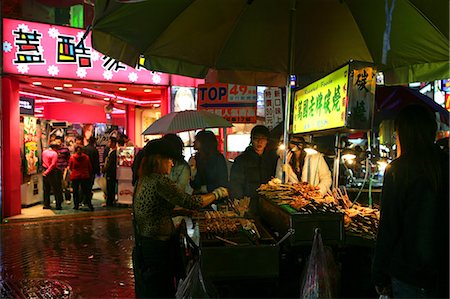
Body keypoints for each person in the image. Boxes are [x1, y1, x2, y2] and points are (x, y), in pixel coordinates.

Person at [132, 138, 228, 298]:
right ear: (158, 161)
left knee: (154, 289)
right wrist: (217, 193)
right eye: (169, 160)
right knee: (161, 290)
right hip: (157, 247)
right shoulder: (159, 181)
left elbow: (154, 211)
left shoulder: (144, 180)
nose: (171, 164)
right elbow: (192, 201)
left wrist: (181, 212)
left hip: (146, 244)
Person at [372, 105, 449, 298]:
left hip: (409, 274)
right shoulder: (446, 164)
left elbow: (388, 228)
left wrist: (378, 275)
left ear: (402, 134)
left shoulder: (398, 169)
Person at [229, 125, 278, 200]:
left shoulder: (271, 159)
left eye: (263, 138)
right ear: (251, 140)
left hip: (267, 202)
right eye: (256, 138)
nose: (259, 141)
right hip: (248, 202)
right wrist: (239, 203)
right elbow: (236, 184)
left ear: (267, 141)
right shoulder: (241, 160)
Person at [189, 130, 228, 194]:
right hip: (200, 198)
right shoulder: (196, 158)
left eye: (197, 140)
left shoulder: (218, 158)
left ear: (204, 142)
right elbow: (194, 185)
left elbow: (222, 182)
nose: (194, 142)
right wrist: (193, 169)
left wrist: (203, 189)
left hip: (215, 197)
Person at [69, 145, 94, 211]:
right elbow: (90, 167)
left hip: (75, 176)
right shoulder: (86, 157)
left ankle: (76, 205)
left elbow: (70, 167)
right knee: (86, 191)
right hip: (85, 175)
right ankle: (89, 204)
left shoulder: (72, 157)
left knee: (75, 192)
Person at [42, 141, 63, 210]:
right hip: (53, 172)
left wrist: (45, 172)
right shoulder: (54, 154)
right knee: (56, 189)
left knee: (46, 189)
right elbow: (53, 164)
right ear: (55, 147)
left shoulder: (44, 152)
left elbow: (43, 161)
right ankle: (58, 205)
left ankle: (46, 204)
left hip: (44, 170)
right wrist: (47, 171)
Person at [55, 135, 72, 204]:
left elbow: (69, 158)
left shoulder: (65, 149)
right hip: (57, 168)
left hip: (64, 168)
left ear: (61, 142)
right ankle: (59, 199)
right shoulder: (54, 149)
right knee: (58, 184)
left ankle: (68, 198)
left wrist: (68, 166)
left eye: (58, 142)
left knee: (65, 184)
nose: (57, 143)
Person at [83, 136, 100, 204]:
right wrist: (97, 171)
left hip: (84, 169)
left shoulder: (84, 149)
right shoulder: (94, 150)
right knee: (90, 185)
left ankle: (84, 199)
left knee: (84, 185)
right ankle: (88, 200)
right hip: (91, 170)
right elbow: (96, 162)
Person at [102, 137, 118, 207]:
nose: (108, 143)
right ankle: (110, 200)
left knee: (110, 187)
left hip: (111, 173)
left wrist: (105, 169)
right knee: (110, 187)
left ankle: (109, 202)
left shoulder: (114, 152)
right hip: (110, 173)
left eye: (109, 142)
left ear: (113, 143)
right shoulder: (110, 151)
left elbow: (111, 164)